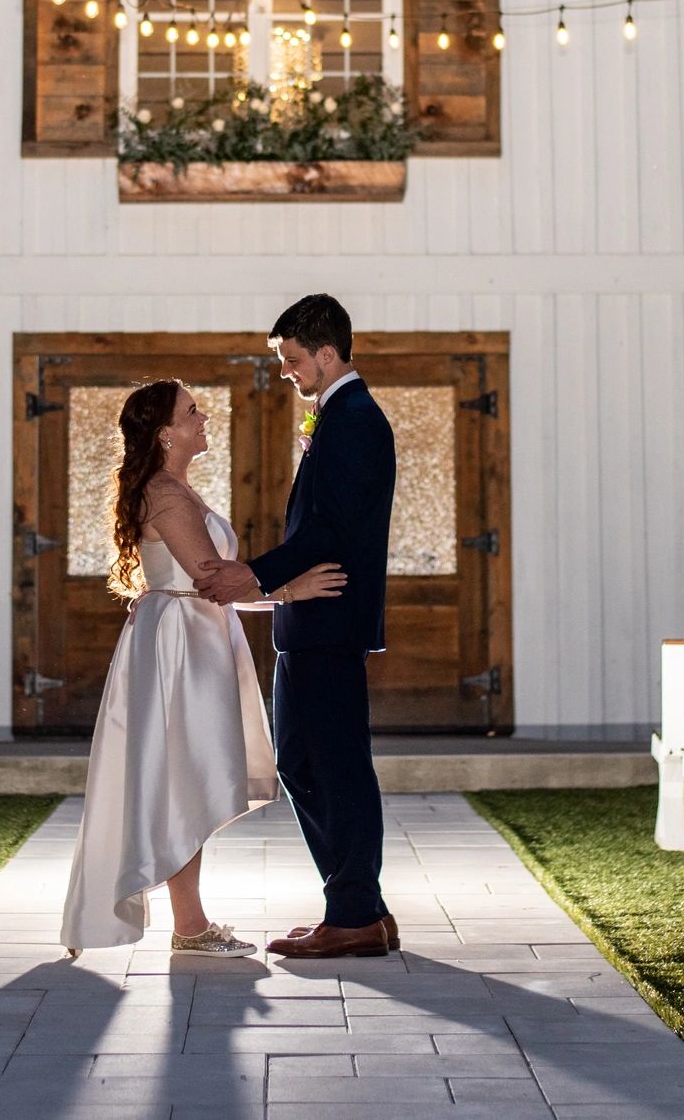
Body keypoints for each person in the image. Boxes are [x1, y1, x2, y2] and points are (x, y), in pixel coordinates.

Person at [58, 380, 347, 956]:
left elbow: (217, 586)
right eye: (192, 411)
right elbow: (214, 577)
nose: (204, 416)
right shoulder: (163, 492)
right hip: (178, 647)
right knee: (181, 775)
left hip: (197, 634)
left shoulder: (177, 489)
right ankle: (188, 925)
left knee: (186, 774)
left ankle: (189, 923)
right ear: (166, 432)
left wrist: (284, 592)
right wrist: (292, 590)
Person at [194, 293, 399, 959]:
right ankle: (359, 903)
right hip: (310, 619)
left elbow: (326, 531)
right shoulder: (339, 418)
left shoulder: (354, 420)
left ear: (328, 352)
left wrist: (248, 574)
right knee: (309, 761)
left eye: (291, 359)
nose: (286, 371)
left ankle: (354, 911)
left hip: (328, 618)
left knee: (332, 767)